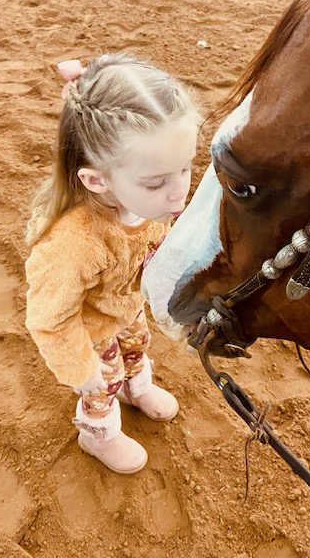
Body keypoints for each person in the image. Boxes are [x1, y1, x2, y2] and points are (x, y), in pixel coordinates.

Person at [25, 52, 199, 474]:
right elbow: (49, 318)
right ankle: (98, 433)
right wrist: (81, 369)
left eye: (186, 168)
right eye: (157, 182)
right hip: (90, 331)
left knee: (137, 348)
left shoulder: (153, 205)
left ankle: (137, 388)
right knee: (102, 381)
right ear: (97, 180)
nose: (179, 193)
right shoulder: (73, 244)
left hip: (127, 308)